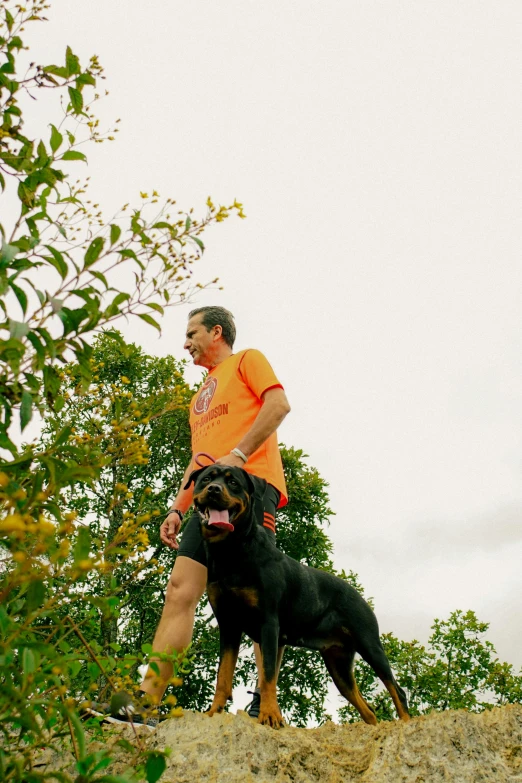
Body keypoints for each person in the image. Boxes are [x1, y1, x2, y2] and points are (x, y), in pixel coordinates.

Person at [108, 306, 290, 728]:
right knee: (179, 589)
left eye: (192, 333)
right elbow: (199, 459)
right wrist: (178, 507)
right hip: (206, 501)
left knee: (262, 600)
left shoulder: (247, 360)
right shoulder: (199, 398)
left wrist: (240, 455)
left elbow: (278, 404)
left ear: (217, 332)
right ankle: (145, 705)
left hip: (249, 490)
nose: (185, 343)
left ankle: (266, 702)